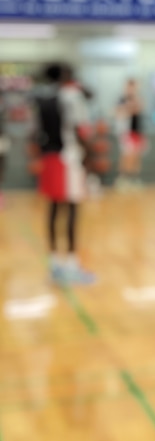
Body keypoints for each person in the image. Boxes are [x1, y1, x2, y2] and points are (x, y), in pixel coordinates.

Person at [31, 63, 95, 284]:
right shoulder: (70, 96)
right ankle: (71, 264)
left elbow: (35, 133)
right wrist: (87, 157)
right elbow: (81, 129)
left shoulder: (40, 98)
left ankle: (54, 263)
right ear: (65, 75)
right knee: (72, 209)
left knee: (53, 208)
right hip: (68, 159)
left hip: (49, 158)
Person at [115, 78, 147, 191]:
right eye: (130, 86)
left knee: (136, 157)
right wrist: (129, 107)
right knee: (127, 157)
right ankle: (123, 179)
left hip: (137, 132)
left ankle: (134, 179)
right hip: (126, 133)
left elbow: (140, 109)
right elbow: (117, 112)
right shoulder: (122, 99)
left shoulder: (138, 99)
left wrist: (135, 104)